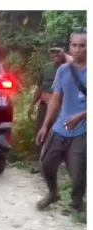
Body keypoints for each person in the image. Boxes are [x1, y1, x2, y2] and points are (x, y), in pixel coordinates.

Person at [35, 27, 87, 214]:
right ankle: (53, 193)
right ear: (69, 46)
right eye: (74, 45)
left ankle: (76, 204)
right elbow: (56, 99)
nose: (77, 49)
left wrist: (81, 115)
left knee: (78, 171)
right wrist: (45, 125)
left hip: (83, 129)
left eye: (82, 45)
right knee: (46, 163)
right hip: (61, 127)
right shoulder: (64, 70)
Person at [28, 41, 69, 172]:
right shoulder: (47, 68)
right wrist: (32, 105)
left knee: (57, 134)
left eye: (57, 51)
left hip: (60, 108)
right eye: (52, 51)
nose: (54, 54)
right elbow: (40, 88)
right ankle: (39, 162)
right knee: (40, 132)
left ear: (64, 51)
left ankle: (58, 164)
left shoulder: (69, 68)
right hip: (44, 106)